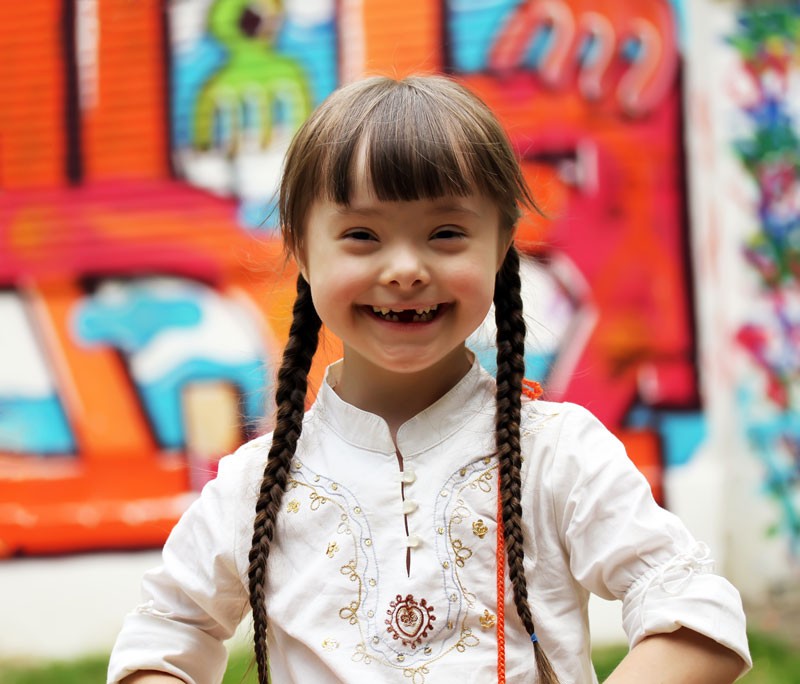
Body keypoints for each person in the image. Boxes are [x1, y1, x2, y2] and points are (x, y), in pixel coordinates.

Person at [108, 75, 751, 684]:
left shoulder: (559, 454)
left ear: (501, 245)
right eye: (361, 234)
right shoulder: (254, 486)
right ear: (302, 248)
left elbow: (696, 611)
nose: (406, 269)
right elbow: (161, 638)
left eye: (446, 233)